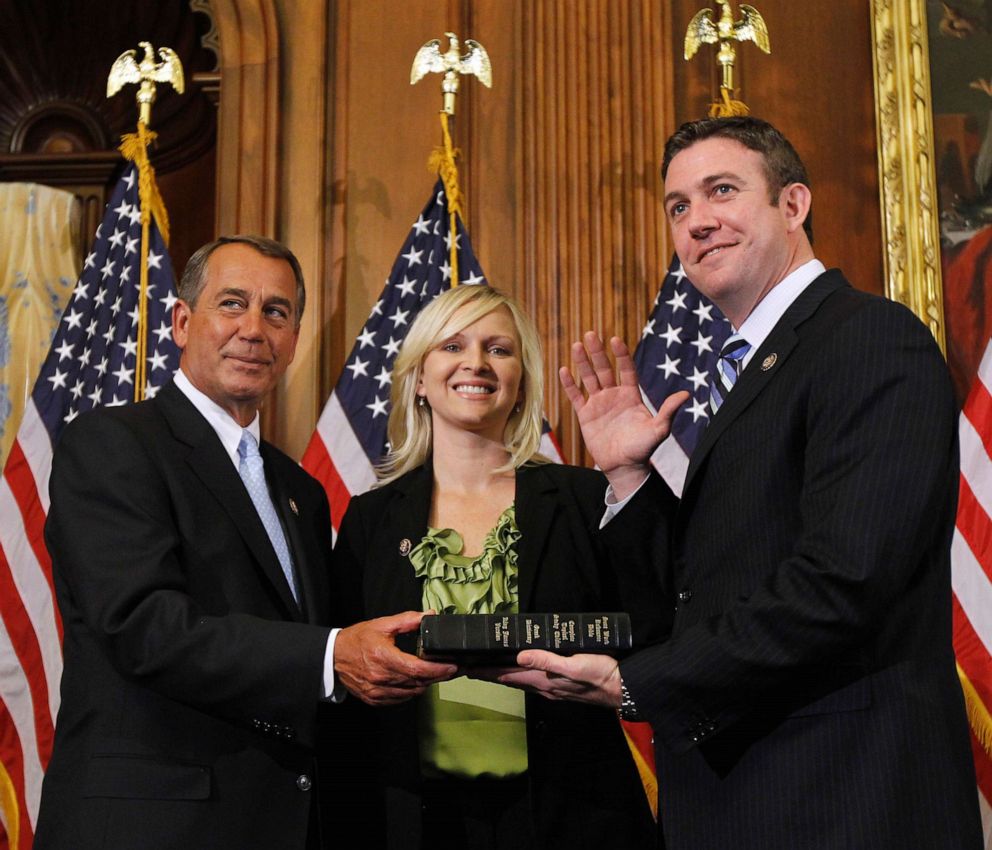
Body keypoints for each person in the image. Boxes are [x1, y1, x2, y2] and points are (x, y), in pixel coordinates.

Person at [496, 117, 985, 848]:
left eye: (721, 191)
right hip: (747, 801)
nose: (698, 222)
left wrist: (637, 684)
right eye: (678, 206)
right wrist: (629, 473)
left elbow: (843, 583)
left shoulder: (867, 338)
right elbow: (708, 590)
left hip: (848, 801)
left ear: (793, 205)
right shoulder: (752, 365)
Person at [34, 235, 455, 850]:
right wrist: (331, 656)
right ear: (182, 322)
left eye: (276, 312)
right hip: (150, 825)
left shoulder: (301, 492)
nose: (254, 329)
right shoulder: (112, 444)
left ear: (293, 340)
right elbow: (143, 625)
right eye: (232, 304)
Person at [332, 284, 664, 850]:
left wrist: (630, 478)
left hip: (573, 813)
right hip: (414, 819)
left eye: (498, 349)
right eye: (452, 346)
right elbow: (342, 667)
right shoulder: (370, 519)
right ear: (418, 377)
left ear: (520, 383)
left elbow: (661, 616)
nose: (476, 363)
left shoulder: (586, 497)